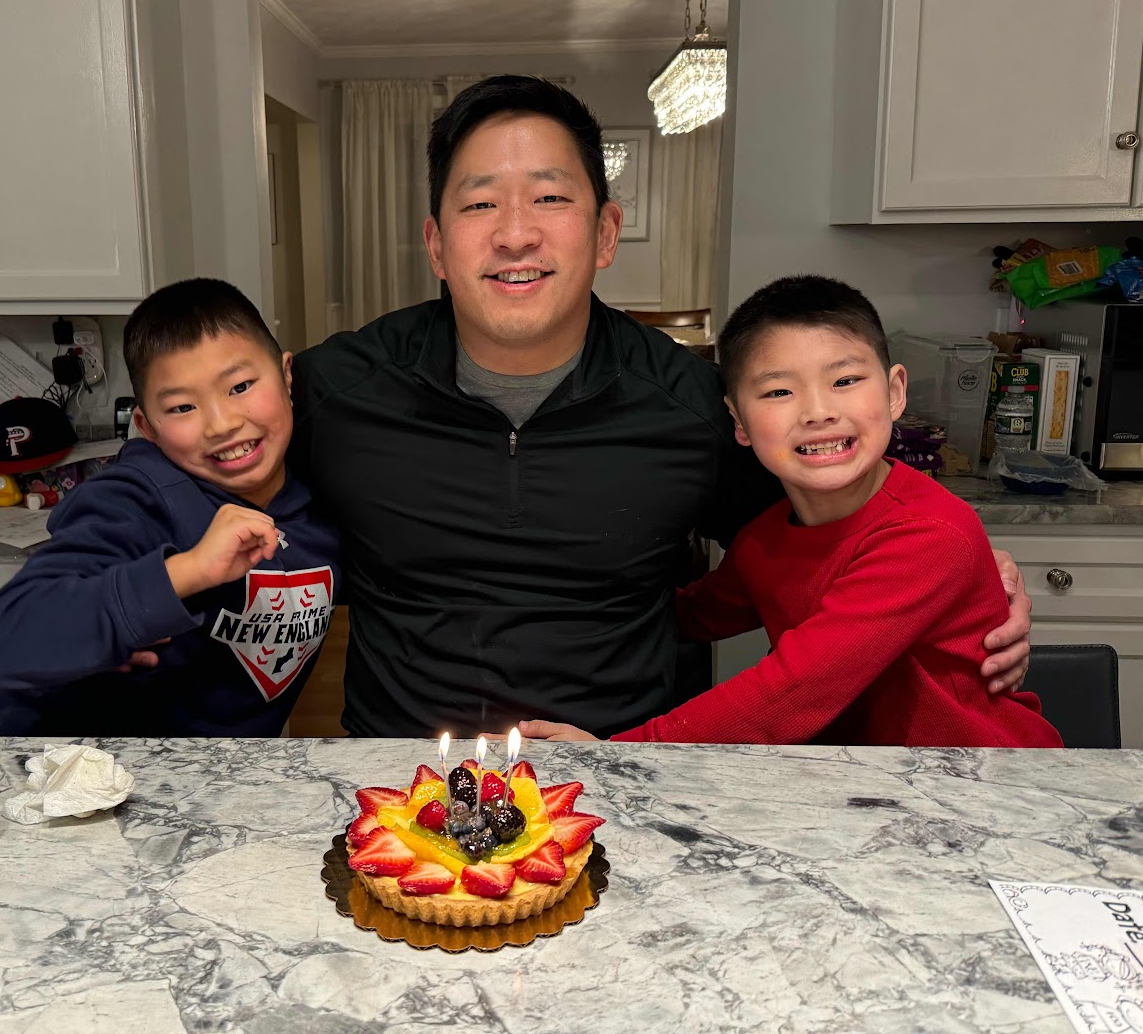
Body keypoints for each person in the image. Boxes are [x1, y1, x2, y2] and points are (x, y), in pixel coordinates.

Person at [290, 75, 1032, 738]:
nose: (515, 234)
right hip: (395, 773)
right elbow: (230, 505)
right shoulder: (335, 388)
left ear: (605, 232)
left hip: (626, 783)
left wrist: (974, 583)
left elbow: (833, 525)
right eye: (480, 204)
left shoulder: (692, 404)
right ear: (436, 245)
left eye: (550, 198)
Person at [524, 275, 1061, 747]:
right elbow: (684, 616)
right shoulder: (764, 540)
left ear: (895, 392)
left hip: (987, 783)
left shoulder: (928, 534)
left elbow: (794, 690)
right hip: (866, 784)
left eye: (845, 381)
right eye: (779, 391)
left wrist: (620, 752)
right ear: (738, 422)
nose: (818, 412)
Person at [0, 279, 341, 736]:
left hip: (213, 775)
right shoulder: (134, 499)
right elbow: (4, 641)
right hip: (51, 768)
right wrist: (188, 572)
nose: (222, 424)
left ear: (287, 375)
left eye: (241, 386)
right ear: (147, 427)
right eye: (183, 407)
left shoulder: (326, 496)